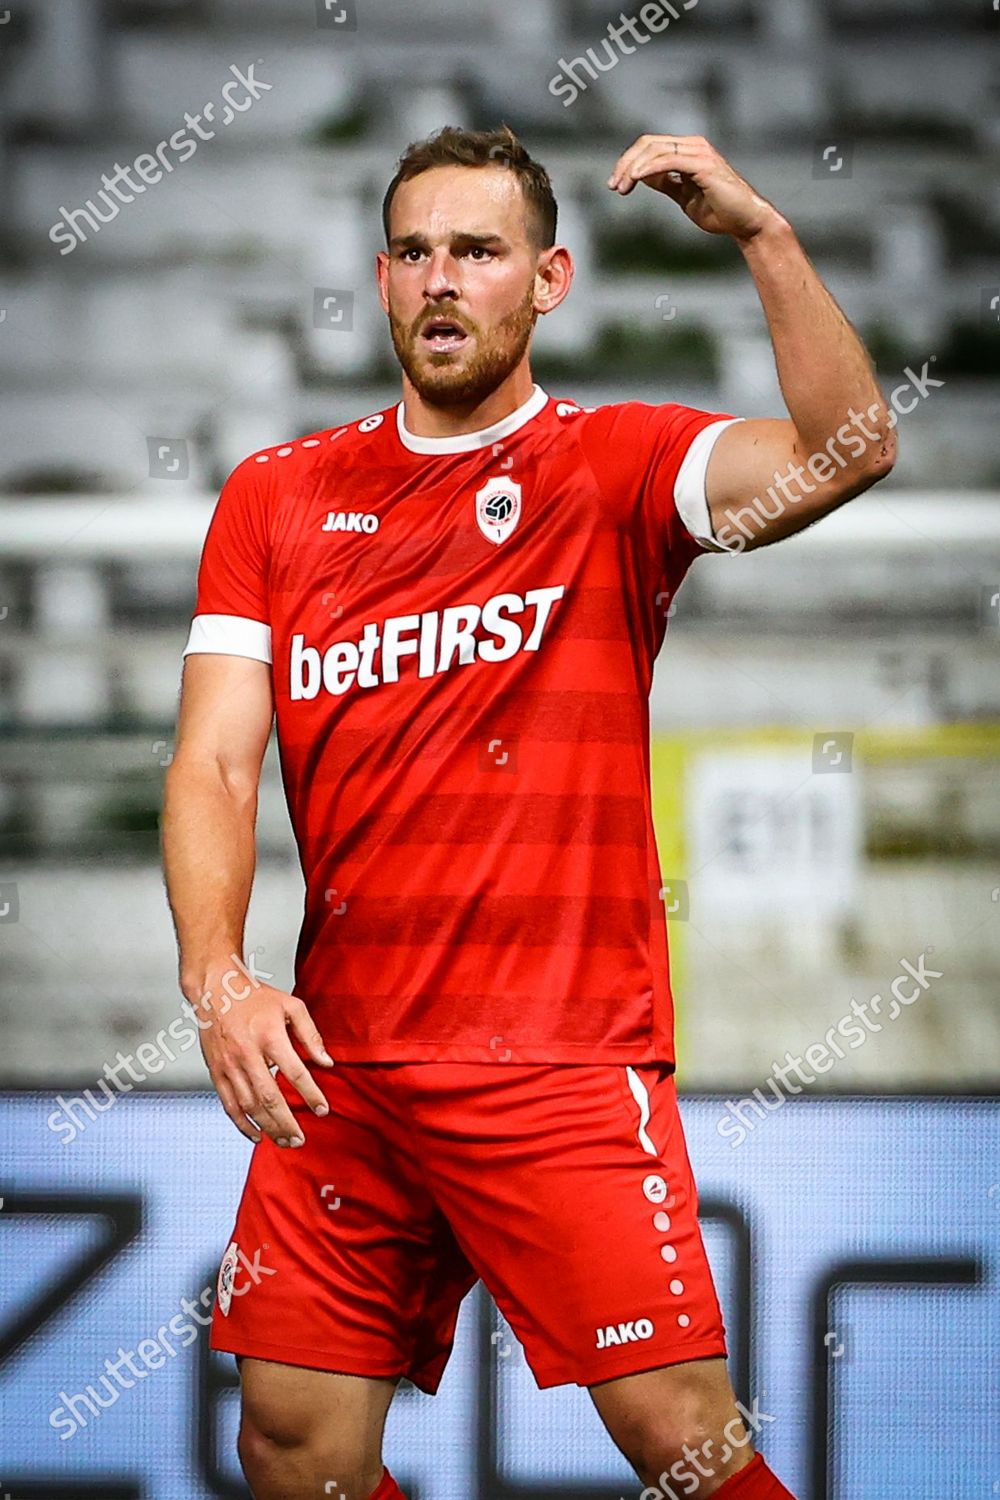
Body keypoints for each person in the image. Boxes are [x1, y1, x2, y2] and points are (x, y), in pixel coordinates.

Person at [161, 123, 895, 1500]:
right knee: (288, 1450)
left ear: (547, 280)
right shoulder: (276, 495)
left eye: (481, 252)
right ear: (382, 280)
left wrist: (762, 235)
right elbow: (209, 764)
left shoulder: (617, 468)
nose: (444, 278)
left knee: (681, 1443)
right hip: (345, 1068)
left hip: (555, 1060)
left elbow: (851, 447)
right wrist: (217, 978)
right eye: (416, 250)